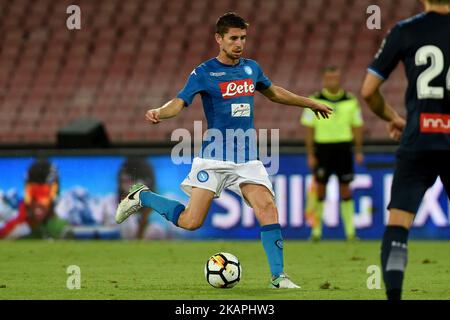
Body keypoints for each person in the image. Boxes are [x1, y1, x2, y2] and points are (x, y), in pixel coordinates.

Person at [116, 12, 332, 288]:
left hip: (247, 160)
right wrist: (160, 112)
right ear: (219, 39)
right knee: (191, 221)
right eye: (233, 38)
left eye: (242, 38)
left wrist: (309, 103)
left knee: (268, 208)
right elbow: (180, 102)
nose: (239, 43)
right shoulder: (204, 72)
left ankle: (278, 277)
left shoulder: (252, 68)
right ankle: (143, 197)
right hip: (214, 159)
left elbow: (274, 92)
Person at [361, 0, 450, 300]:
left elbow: (368, 91)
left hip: (418, 138)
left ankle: (395, 296)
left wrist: (392, 118)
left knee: (399, 223)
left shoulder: (405, 31)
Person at [301, 66, 364, 241]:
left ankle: (351, 232)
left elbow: (357, 126)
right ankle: (316, 232)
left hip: (344, 147)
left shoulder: (351, 100)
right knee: (320, 189)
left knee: (345, 189)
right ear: (324, 80)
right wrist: (310, 154)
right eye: (329, 78)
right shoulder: (314, 100)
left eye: (335, 78)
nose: (332, 82)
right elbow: (308, 129)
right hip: (323, 148)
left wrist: (358, 150)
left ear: (340, 79)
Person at [117, 157, 155, 239]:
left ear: (147, 181)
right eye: (124, 181)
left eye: (131, 180)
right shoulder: (112, 205)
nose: (127, 186)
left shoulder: (158, 209)